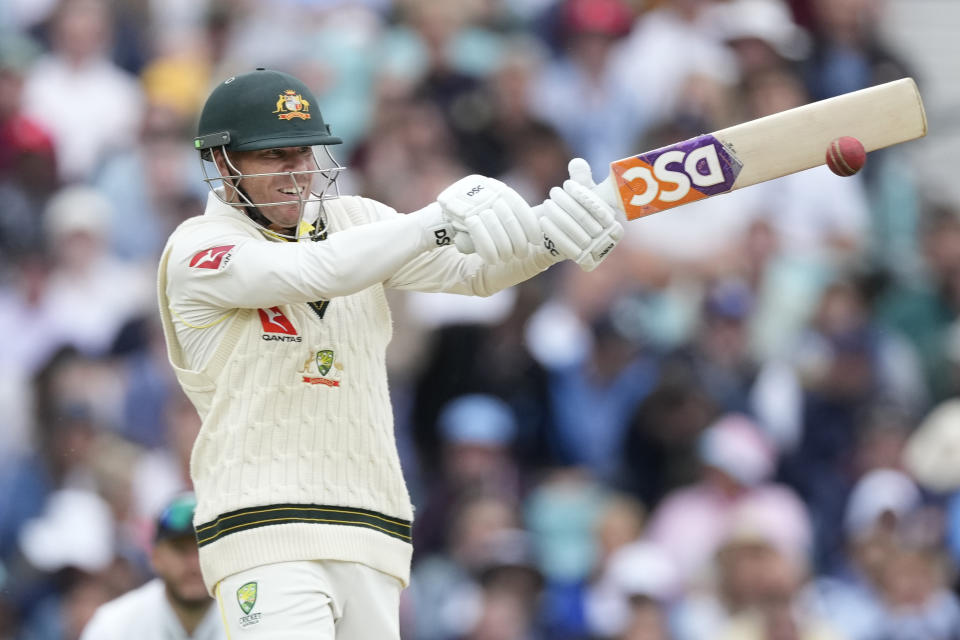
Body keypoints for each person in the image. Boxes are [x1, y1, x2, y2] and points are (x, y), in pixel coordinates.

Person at [156, 67, 622, 638]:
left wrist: (555, 234)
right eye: (272, 156)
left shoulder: (358, 221)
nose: (296, 173)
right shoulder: (197, 249)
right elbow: (310, 269)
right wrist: (437, 219)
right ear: (223, 164)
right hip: (264, 525)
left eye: (303, 153)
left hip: (371, 525)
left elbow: (475, 273)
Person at [79, 493, 226, 640]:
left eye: (204, 547)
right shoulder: (112, 627)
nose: (194, 564)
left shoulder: (245, 620)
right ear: (155, 557)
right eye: (180, 549)